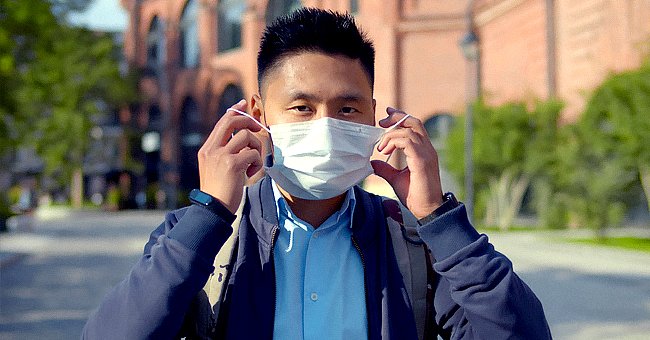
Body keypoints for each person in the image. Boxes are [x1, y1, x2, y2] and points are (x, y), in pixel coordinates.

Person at [82, 8, 551, 340]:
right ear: (259, 116)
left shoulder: (410, 243)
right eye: (302, 108)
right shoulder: (207, 241)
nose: (326, 126)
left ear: (374, 116)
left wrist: (437, 218)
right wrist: (210, 212)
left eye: (347, 109)